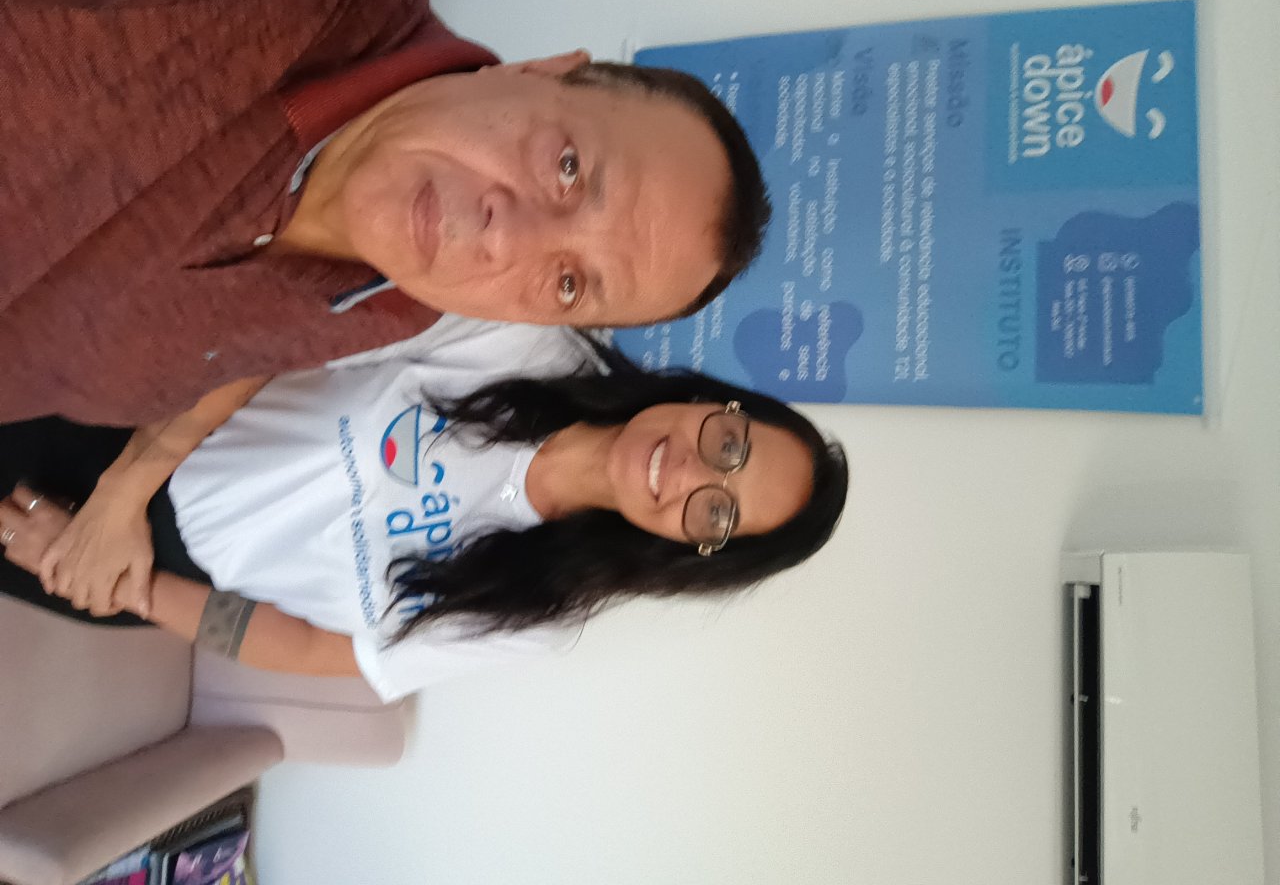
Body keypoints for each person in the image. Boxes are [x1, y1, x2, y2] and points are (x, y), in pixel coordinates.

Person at [1, 0, 770, 617]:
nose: (508, 235)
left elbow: (242, 349)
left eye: (568, 282)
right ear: (542, 71)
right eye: (568, 167)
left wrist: (129, 496)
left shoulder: (390, 303)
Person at [0, 320, 848, 701]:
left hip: (142, 566)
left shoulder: (536, 614)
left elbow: (314, 649)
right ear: (714, 404)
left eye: (717, 514)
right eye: (730, 445)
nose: (692, 474)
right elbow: (283, 337)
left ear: (694, 551)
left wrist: (132, 589)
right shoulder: (528, 343)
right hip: (144, 420)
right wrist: (121, 493)